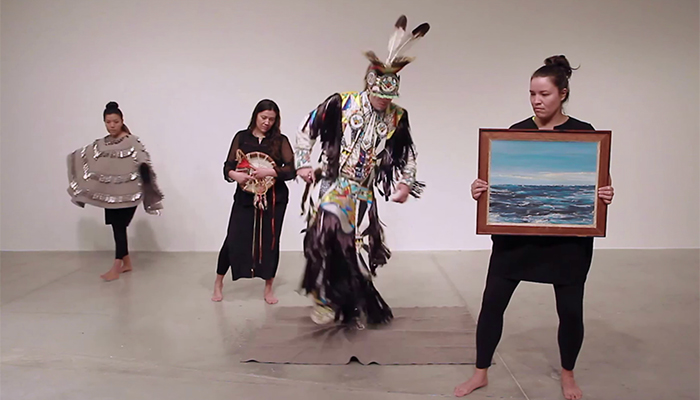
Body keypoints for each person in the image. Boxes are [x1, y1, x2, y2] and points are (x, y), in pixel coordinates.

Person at [454, 55, 615, 400]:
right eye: (532, 94)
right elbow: (499, 183)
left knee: (570, 311)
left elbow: (599, 180)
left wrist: (605, 192)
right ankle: (480, 372)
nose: (537, 101)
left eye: (544, 94)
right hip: (516, 239)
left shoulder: (584, 134)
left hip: (567, 242)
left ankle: (568, 374)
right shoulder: (515, 133)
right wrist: (480, 190)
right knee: (492, 304)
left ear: (563, 94)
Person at [294, 15, 429, 327]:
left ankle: (350, 302)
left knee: (357, 249)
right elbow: (307, 128)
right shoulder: (341, 103)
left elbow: (406, 153)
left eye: (390, 95)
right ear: (369, 85)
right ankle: (325, 299)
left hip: (364, 191)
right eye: (381, 94)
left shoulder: (397, 117)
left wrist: (405, 184)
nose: (385, 100)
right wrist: (303, 162)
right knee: (328, 235)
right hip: (334, 184)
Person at [67, 101, 164, 282]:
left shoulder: (131, 140)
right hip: (109, 195)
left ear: (122, 121)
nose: (112, 125)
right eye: (108, 122)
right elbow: (84, 156)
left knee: (119, 227)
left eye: (115, 122)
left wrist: (144, 167)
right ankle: (126, 262)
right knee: (116, 227)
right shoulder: (101, 144)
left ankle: (116, 266)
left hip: (130, 193)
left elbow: (142, 155)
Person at [211, 99, 295, 304]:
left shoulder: (280, 140)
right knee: (233, 238)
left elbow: (291, 169)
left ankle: (268, 288)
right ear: (255, 116)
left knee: (271, 241)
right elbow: (228, 166)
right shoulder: (241, 137)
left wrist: (269, 171)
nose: (267, 122)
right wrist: (234, 175)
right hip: (245, 198)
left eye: (271, 119)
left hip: (274, 199)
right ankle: (218, 282)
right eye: (263, 117)